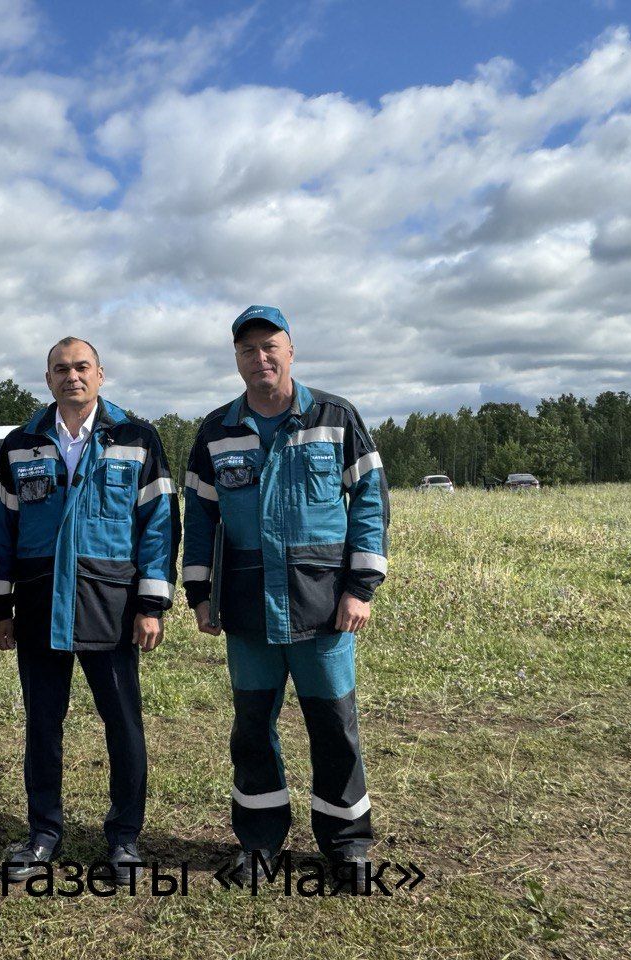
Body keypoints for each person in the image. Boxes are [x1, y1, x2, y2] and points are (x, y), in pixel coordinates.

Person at [181, 306, 389, 889]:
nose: (260, 358)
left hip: (324, 608)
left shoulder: (335, 417)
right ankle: (259, 843)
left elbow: (370, 501)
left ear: (291, 350)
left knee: (334, 728)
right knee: (251, 729)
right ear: (237, 360)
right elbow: (199, 518)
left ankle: (347, 843)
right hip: (248, 611)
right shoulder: (216, 431)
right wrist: (199, 592)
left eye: (270, 347)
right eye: (248, 350)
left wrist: (359, 587)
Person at [0, 337, 179, 885]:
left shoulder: (137, 440)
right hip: (41, 603)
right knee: (43, 724)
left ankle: (124, 838)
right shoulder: (20, 445)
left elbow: (159, 526)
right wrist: (2, 605)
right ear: (47, 379)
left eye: (82, 367)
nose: (72, 377)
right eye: (60, 369)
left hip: (111, 605)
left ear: (101, 374)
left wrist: (150, 604)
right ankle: (44, 832)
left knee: (122, 724)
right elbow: (3, 530)